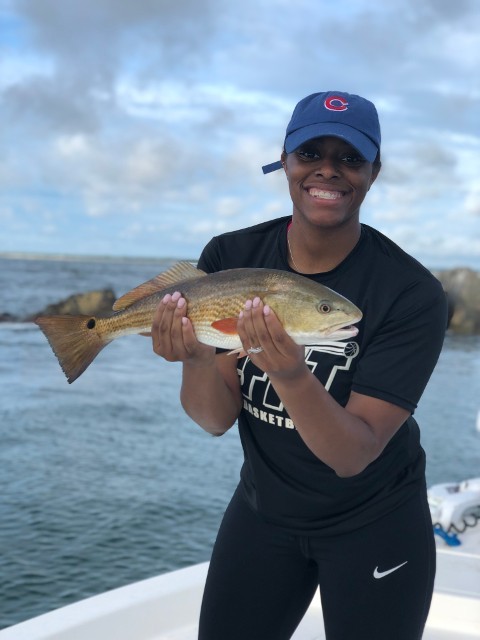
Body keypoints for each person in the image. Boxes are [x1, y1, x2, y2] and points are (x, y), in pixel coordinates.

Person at [151, 91, 448, 639]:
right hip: (264, 512)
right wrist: (194, 358)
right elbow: (215, 419)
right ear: (285, 161)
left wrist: (288, 372)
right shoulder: (230, 256)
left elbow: (352, 455)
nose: (327, 171)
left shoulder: (410, 294)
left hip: (375, 522)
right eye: (310, 153)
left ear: (373, 172)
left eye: (350, 158)